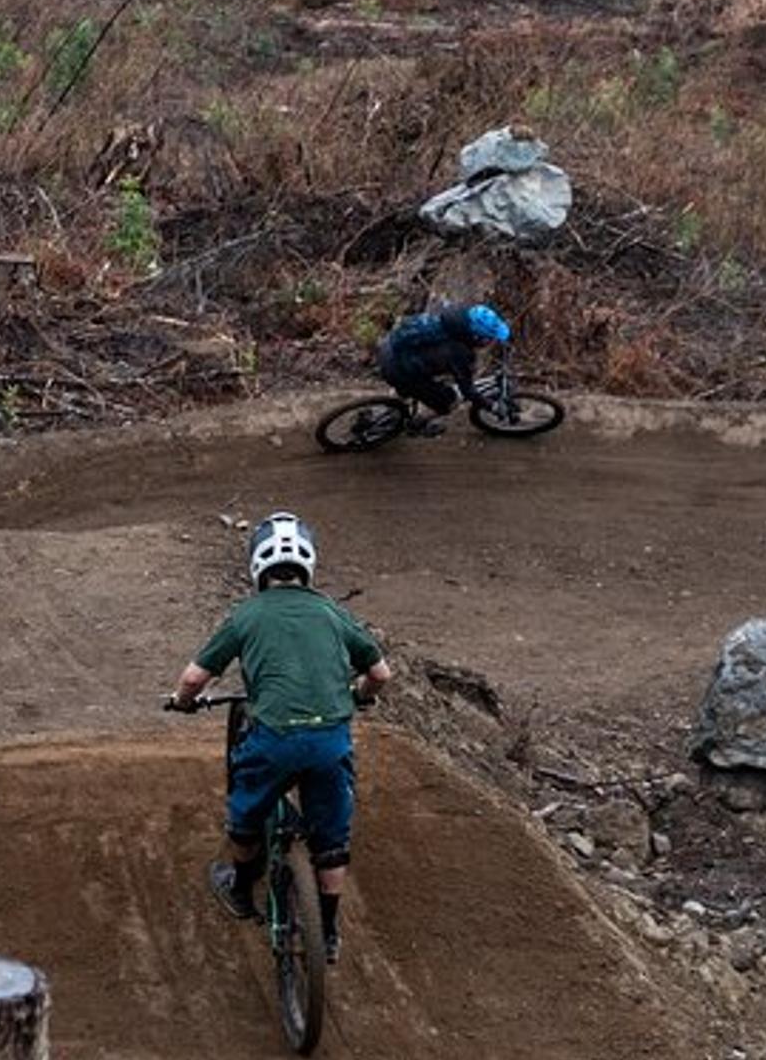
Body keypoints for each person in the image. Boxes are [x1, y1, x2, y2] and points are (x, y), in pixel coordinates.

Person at [169, 512, 391, 964]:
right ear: (308, 565)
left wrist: (183, 701)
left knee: (246, 816)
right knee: (331, 842)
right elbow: (380, 673)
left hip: (275, 739)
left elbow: (194, 678)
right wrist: (360, 695)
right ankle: (327, 933)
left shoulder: (246, 615)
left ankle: (240, 886)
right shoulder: (331, 611)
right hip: (331, 739)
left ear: (257, 566)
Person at [375, 301, 511, 435]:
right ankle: (418, 424)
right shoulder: (458, 352)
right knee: (448, 402)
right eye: (488, 338)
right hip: (397, 369)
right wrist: (492, 407)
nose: (489, 342)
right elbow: (468, 392)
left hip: (389, 347)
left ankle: (396, 403)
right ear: (477, 336)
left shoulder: (456, 313)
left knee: (430, 379)